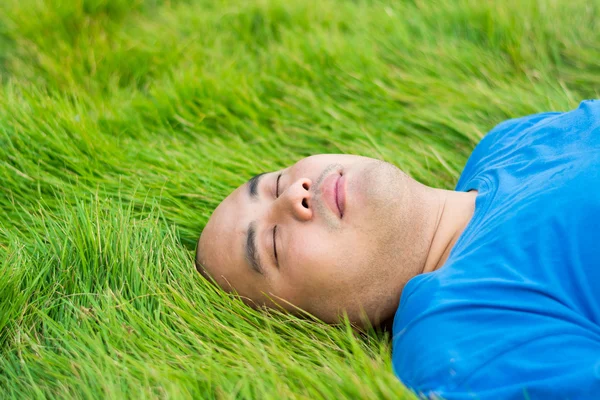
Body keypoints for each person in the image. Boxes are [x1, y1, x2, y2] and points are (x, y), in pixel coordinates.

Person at [195, 100, 600, 399]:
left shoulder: (511, 141)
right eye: (273, 244)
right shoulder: (457, 337)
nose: (292, 197)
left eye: (275, 183)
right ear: (311, 322)